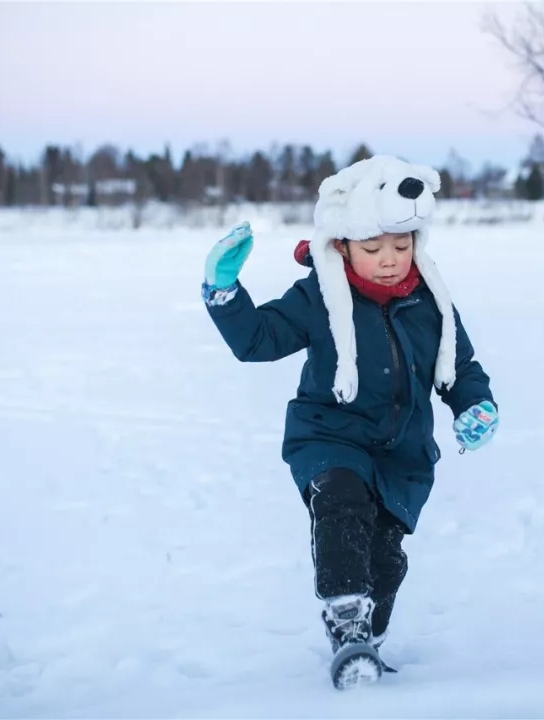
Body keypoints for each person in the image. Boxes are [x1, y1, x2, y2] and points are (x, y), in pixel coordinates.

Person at [200, 154, 498, 689]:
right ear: (342, 244)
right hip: (329, 437)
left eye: (401, 246)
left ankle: (366, 641)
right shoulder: (318, 294)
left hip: (402, 453)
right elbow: (257, 340)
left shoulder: (430, 301)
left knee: (386, 561)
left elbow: (458, 367)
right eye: (373, 247)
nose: (389, 259)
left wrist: (475, 404)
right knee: (340, 505)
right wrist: (224, 291)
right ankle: (345, 615)